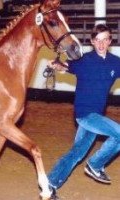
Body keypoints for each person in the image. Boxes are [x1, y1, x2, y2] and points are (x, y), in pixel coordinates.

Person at [46, 24, 120, 199]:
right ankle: (95, 165)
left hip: (96, 115)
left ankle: (50, 184)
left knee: (77, 152)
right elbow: (65, 66)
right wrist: (56, 65)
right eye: (97, 40)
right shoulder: (84, 60)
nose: (101, 44)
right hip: (84, 114)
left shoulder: (115, 63)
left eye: (105, 39)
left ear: (110, 41)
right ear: (93, 42)